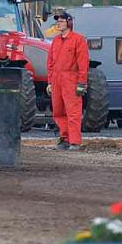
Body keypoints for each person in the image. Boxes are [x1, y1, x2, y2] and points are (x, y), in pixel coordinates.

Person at [46, 10, 89, 151]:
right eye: (57, 21)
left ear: (69, 23)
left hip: (71, 80)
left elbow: (83, 63)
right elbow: (50, 63)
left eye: (61, 21)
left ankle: (75, 141)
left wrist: (82, 82)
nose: (58, 23)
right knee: (58, 111)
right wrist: (50, 82)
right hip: (57, 80)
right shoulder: (55, 41)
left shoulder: (78, 40)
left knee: (73, 111)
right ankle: (64, 139)